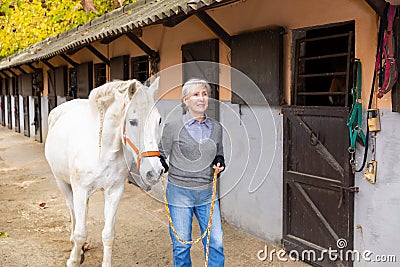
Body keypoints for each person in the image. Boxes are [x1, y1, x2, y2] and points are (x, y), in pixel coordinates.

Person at [159, 78, 225, 267]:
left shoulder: (217, 128)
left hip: (207, 193)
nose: (201, 98)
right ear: (185, 100)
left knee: (216, 243)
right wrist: (161, 163)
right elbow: (161, 153)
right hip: (179, 192)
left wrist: (219, 162)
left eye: (204, 94)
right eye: (196, 94)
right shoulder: (173, 127)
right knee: (181, 245)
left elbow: (219, 154)